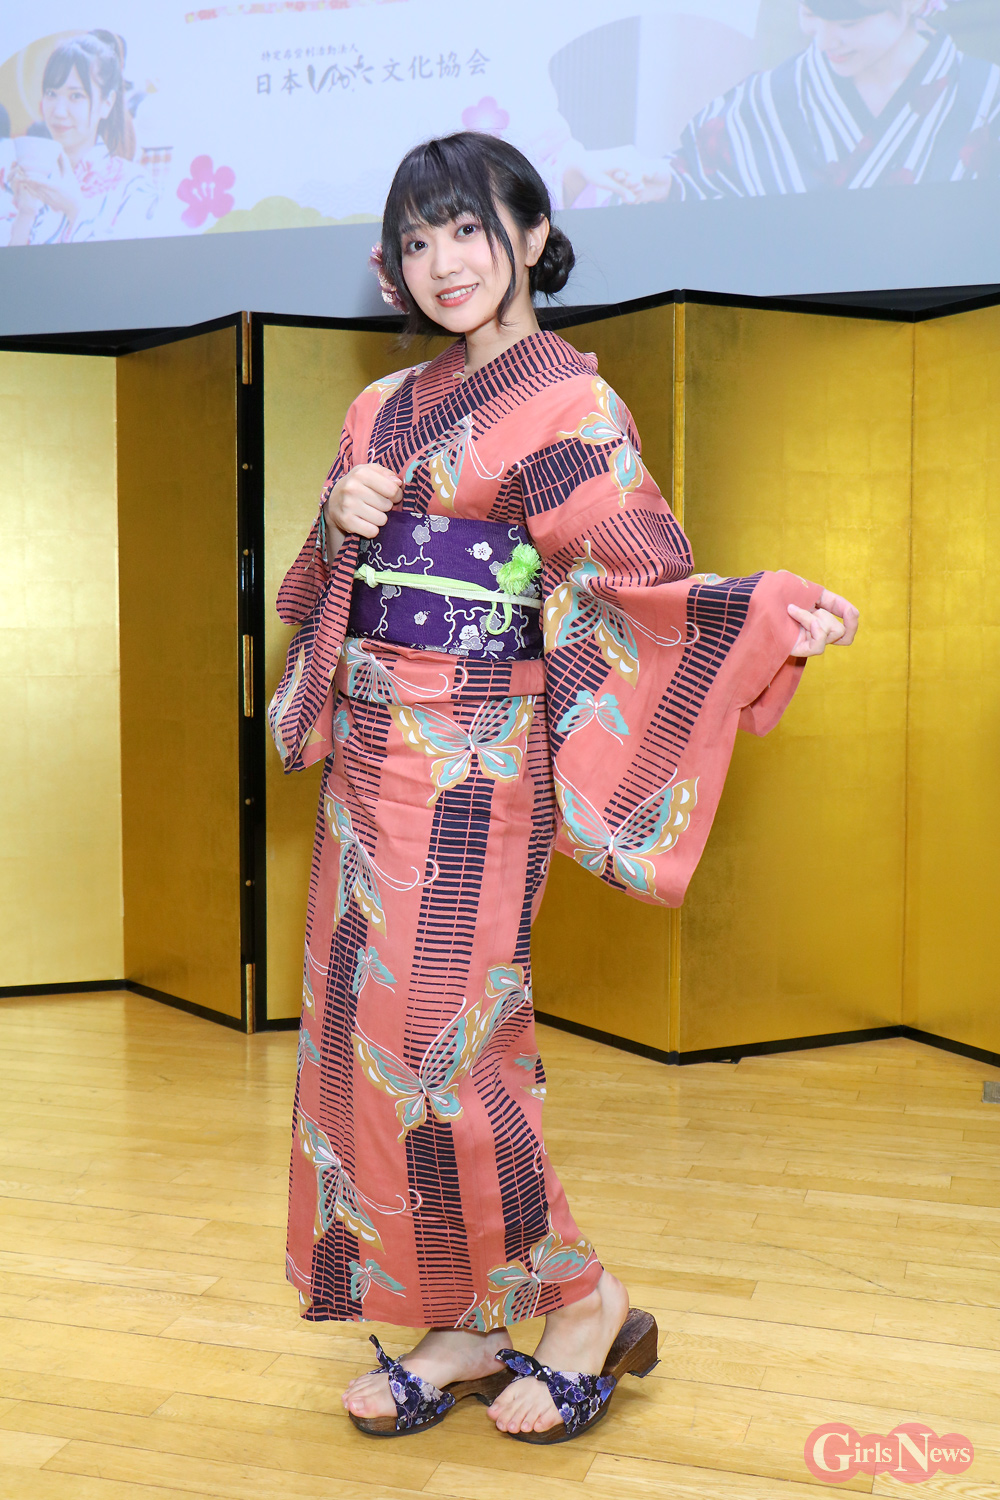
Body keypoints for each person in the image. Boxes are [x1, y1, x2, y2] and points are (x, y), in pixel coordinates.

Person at [268, 130, 859, 1441]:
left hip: (480, 773)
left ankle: (585, 1300)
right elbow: (315, 590)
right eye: (417, 240)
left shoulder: (572, 409)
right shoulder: (376, 410)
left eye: (468, 229)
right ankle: (463, 1321)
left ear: (531, 235)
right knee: (367, 1051)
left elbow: (637, 587)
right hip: (367, 762)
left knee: (446, 1045)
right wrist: (338, 523)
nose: (444, 261)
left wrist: (760, 618)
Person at [569, 0, 1000, 202]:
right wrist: (664, 184)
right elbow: (700, 180)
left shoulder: (987, 98)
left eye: (848, 23)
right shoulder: (766, 98)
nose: (826, 40)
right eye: (811, 15)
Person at [4, 31, 157, 246]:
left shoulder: (135, 185)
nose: (58, 111)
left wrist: (75, 209)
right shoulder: (34, 179)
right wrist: (26, 212)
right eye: (51, 93)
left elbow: (129, 263)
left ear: (107, 103)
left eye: (76, 96)